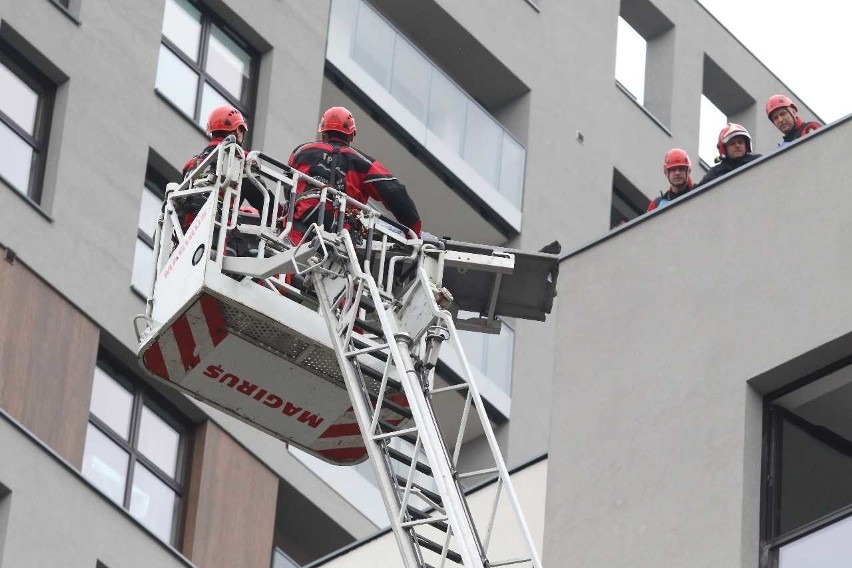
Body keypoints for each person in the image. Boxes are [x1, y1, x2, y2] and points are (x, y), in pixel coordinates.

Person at [287, 106, 421, 245]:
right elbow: (396, 193)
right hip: (340, 240)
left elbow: (288, 185)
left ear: (323, 133)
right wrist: (414, 233)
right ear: (351, 135)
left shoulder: (302, 151)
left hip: (295, 231)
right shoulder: (364, 163)